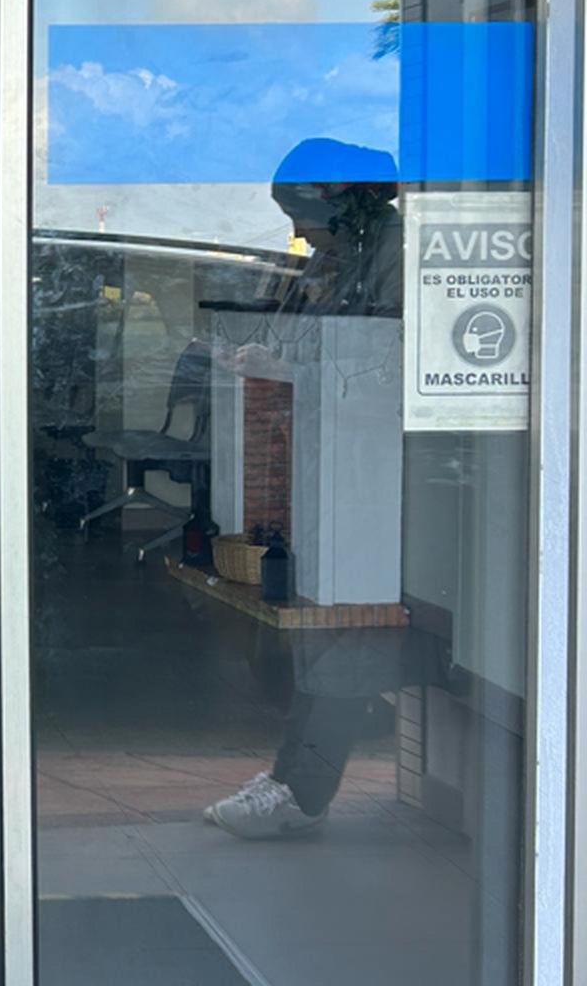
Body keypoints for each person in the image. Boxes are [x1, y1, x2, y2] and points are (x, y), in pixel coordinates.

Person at [206, 139, 405, 840]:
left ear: (336, 201)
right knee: (325, 616)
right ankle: (295, 779)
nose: (299, 234)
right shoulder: (342, 254)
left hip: (378, 469)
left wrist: (288, 372)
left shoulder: (393, 251)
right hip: (335, 457)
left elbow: (379, 364)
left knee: (342, 623)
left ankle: (300, 787)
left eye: (301, 216)